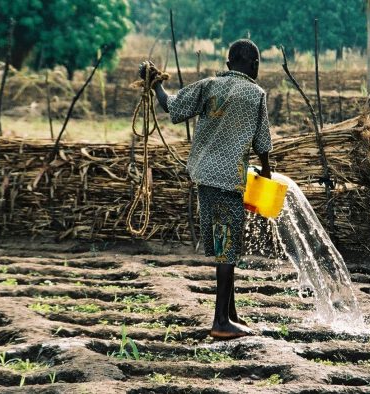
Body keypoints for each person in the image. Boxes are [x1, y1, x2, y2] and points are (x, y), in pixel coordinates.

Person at [138, 39, 272, 339]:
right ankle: (220, 322)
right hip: (229, 180)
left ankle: (231, 314)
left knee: (225, 246)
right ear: (254, 67)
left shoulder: (209, 85)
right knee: (228, 249)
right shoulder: (256, 94)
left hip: (204, 176)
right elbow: (262, 144)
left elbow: (171, 106)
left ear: (227, 64)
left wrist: (154, 84)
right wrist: (266, 175)